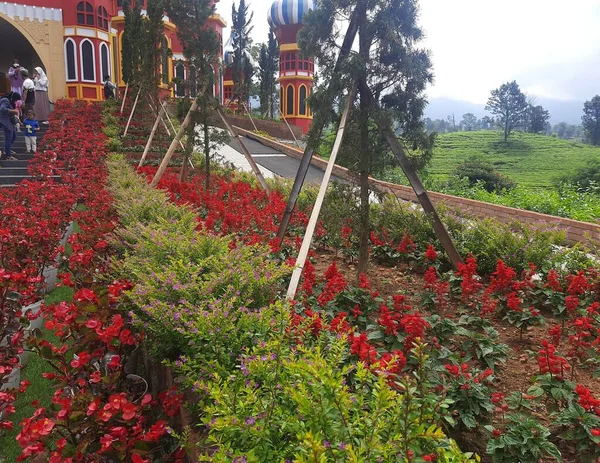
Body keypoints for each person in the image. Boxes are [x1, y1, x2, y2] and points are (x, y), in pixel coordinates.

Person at [0, 92, 21, 160]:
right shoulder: (5, 100)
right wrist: (13, 111)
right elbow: (2, 109)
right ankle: (8, 155)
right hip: (4, 121)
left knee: (14, 135)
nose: (15, 101)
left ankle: (7, 149)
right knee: (9, 137)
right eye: (16, 100)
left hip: (10, 122)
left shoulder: (10, 102)